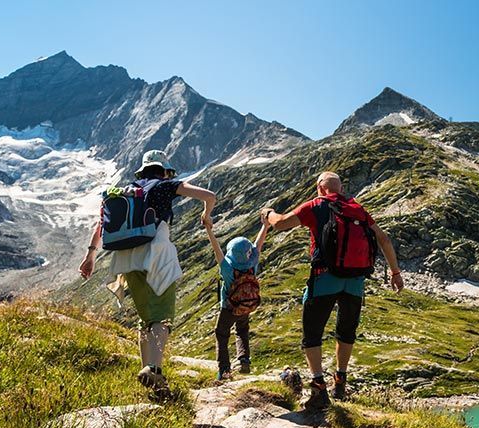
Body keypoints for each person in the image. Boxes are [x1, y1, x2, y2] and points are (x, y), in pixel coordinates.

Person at [78, 150, 216, 398]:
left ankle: (150, 375)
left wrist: (90, 255)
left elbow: (101, 225)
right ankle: (154, 368)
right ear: (164, 170)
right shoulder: (165, 185)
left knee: (145, 318)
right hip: (157, 255)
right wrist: (206, 214)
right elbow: (209, 195)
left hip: (127, 258)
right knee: (161, 318)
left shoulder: (125, 191)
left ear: (141, 171)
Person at [261, 171, 404, 409]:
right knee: (346, 332)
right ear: (340, 188)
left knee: (312, 333)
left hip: (325, 278)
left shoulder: (316, 205)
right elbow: (384, 239)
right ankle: (340, 380)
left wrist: (268, 213)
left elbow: (281, 224)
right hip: (355, 282)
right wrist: (395, 272)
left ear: (320, 187)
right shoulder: (357, 209)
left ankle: (318, 388)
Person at [205, 213, 269, 380]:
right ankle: (244, 359)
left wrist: (209, 230)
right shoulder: (252, 265)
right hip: (246, 306)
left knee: (222, 334)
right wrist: (265, 225)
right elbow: (258, 245)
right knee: (242, 330)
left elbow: (216, 249)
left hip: (228, 307)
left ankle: (224, 370)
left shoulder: (227, 269)